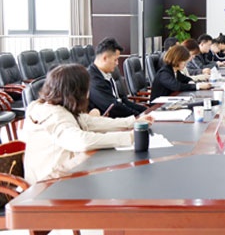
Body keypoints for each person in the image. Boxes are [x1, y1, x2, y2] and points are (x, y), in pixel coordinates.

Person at [22, 64, 153, 183]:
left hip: (65, 174)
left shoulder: (60, 107)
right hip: (48, 184)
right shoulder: (53, 114)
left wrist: (132, 122)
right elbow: (82, 141)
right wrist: (129, 137)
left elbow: (91, 122)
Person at [88, 38, 147, 118]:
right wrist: (137, 116)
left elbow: (123, 101)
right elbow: (113, 108)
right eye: (115, 60)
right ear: (105, 58)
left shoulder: (106, 74)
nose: (117, 63)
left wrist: (145, 111)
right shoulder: (93, 79)